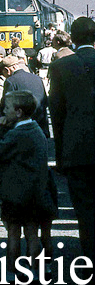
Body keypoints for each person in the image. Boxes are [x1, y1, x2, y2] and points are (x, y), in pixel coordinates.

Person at [0, 90, 56, 270]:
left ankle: (11, 271)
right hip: (35, 192)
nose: (4, 111)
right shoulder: (37, 131)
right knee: (32, 233)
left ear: (18, 112)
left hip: (15, 194)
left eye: (7, 108)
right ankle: (35, 270)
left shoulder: (16, 134)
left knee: (13, 233)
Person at [48, 16, 95, 263]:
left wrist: (60, 155)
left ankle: (89, 259)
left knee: (85, 212)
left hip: (77, 151)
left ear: (73, 39)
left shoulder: (60, 68)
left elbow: (56, 115)